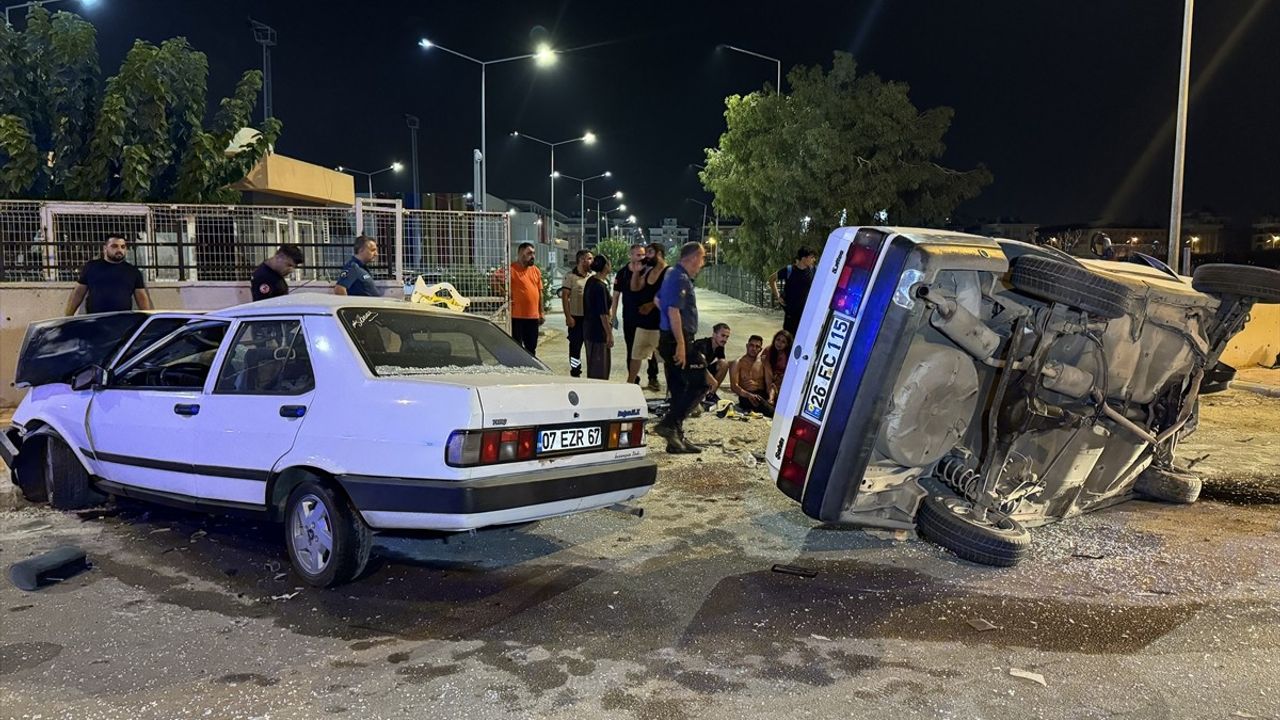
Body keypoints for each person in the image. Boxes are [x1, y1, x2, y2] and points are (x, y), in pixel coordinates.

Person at [653, 241, 707, 453]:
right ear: (693, 257)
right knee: (700, 383)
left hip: (669, 337)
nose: (701, 264)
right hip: (678, 339)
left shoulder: (670, 274)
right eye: (701, 258)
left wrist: (668, 324)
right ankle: (668, 424)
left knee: (678, 389)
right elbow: (674, 311)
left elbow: (658, 300)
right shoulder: (680, 278)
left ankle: (676, 440)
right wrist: (681, 344)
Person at [65, 233, 152, 315]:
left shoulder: (133, 271)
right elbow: (78, 293)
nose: (119, 250)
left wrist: (148, 317)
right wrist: (68, 316)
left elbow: (142, 298)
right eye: (114, 246)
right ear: (105, 248)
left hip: (122, 322)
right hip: (95, 320)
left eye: (123, 247)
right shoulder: (91, 267)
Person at [630, 243, 667, 391]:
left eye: (650, 252)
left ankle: (673, 392)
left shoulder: (668, 272)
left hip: (660, 325)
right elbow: (635, 288)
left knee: (666, 360)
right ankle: (629, 385)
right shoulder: (648, 271)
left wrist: (651, 305)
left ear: (659, 253)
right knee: (636, 356)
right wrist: (635, 272)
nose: (646, 256)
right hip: (644, 323)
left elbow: (669, 297)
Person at [610, 244, 648, 385]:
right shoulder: (623, 273)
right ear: (630, 256)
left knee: (651, 348)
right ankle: (633, 378)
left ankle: (653, 376)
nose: (641, 258)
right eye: (638, 255)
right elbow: (615, 296)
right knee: (631, 349)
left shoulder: (648, 272)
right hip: (630, 317)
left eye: (643, 255)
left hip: (647, 317)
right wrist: (613, 315)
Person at [559, 249, 593, 377]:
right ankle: (575, 372)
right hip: (576, 319)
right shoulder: (570, 277)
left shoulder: (592, 276)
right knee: (575, 348)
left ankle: (592, 372)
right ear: (582, 260)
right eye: (589, 259)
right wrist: (568, 317)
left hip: (589, 320)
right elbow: (565, 297)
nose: (591, 261)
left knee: (591, 348)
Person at [770, 247, 818, 336]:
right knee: (789, 340)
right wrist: (778, 296)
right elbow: (772, 279)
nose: (814, 260)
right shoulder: (789, 270)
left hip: (806, 314)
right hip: (791, 314)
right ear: (804, 258)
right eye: (811, 257)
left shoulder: (814, 270)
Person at [509, 242, 545, 355]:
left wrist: (541, 312)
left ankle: (530, 370)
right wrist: (506, 294)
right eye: (529, 253)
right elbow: (495, 280)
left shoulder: (535, 271)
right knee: (517, 347)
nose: (533, 256)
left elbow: (540, 293)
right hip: (517, 316)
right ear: (520, 254)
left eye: (533, 253)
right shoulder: (511, 269)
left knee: (531, 347)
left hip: (533, 317)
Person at [584, 254, 614, 380]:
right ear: (605, 266)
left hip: (589, 329)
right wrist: (609, 334)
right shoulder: (599, 287)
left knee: (593, 366)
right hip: (598, 332)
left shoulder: (591, 281)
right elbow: (603, 313)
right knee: (600, 368)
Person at [730, 335, 774, 417]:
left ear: (760, 349)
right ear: (747, 346)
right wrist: (748, 395)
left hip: (762, 394)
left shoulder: (764, 362)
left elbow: (769, 384)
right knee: (759, 402)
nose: (754, 348)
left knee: (764, 400)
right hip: (746, 395)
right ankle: (775, 414)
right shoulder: (738, 363)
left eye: (757, 346)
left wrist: (771, 398)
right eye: (751, 345)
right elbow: (734, 386)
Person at [690, 323, 732, 404]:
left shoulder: (720, 346)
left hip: (700, 371)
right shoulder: (702, 345)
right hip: (689, 373)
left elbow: (722, 364)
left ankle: (711, 395)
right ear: (714, 334)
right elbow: (698, 366)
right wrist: (713, 381)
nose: (725, 340)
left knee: (724, 364)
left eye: (727, 337)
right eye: (722, 335)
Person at [764, 329, 794, 405]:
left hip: (782, 379)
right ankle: (771, 398)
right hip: (769, 375)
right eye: (778, 340)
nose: (779, 343)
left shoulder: (789, 355)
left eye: (783, 342)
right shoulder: (769, 350)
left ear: (787, 344)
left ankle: (772, 398)